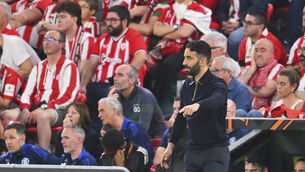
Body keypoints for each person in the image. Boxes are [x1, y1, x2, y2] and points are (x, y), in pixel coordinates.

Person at [1, 30, 80, 151]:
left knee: (43, 116)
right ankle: (10, 152)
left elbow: (69, 96)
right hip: (34, 109)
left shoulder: (69, 66)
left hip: (58, 110)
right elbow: (27, 93)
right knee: (6, 115)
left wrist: (45, 107)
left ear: (61, 45)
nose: (46, 42)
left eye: (51, 39)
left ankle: (44, 156)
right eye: (44, 40)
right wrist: (26, 109)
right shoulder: (38, 66)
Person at [160, 40, 230, 171]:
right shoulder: (187, 85)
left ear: (203, 61)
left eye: (189, 58)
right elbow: (180, 119)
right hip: (192, 152)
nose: (184, 63)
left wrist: (198, 105)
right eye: (185, 58)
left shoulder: (218, 84)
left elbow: (218, 99)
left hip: (215, 151)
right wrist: (170, 146)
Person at [80, 5, 146, 132]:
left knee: (111, 97)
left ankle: (113, 135)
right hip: (98, 84)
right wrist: (83, 85)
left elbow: (141, 57)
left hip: (120, 87)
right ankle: (95, 136)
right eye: (108, 20)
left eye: (113, 20)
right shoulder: (102, 39)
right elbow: (91, 63)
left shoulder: (133, 37)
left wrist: (122, 82)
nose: (109, 24)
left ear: (124, 22)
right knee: (84, 96)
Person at [151, 0, 212, 114]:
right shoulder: (168, 9)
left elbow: (185, 33)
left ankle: (159, 105)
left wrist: (166, 32)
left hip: (189, 49)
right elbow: (156, 30)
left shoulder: (197, 9)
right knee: (147, 64)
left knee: (168, 65)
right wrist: (176, 27)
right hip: (165, 47)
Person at [108, 64, 167, 138]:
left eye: (120, 75)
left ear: (132, 80)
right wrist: (109, 104)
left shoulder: (146, 96)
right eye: (115, 75)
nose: (115, 78)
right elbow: (105, 129)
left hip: (154, 141)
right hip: (128, 139)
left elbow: (142, 129)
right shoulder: (115, 96)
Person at [238, 38, 284, 110]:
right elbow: (236, 86)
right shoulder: (247, 69)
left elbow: (266, 91)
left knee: (252, 114)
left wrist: (244, 87)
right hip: (243, 111)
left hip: (265, 114)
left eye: (263, 50)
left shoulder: (277, 68)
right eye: (256, 50)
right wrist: (252, 68)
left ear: (272, 54)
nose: (258, 54)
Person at [237, 68, 304, 117]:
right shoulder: (275, 104)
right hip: (272, 133)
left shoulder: (300, 104)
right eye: (277, 83)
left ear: (293, 86)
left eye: (283, 84)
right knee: (240, 113)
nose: (279, 87)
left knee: (253, 114)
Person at [0, 2, 41, 78]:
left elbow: (27, 71)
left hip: (28, 83)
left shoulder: (12, 38)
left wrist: (4, 78)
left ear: (5, 19)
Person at [56, 1, 95, 74]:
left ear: (74, 20)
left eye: (63, 17)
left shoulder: (87, 39)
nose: (58, 20)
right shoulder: (58, 39)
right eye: (58, 16)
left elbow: (82, 71)